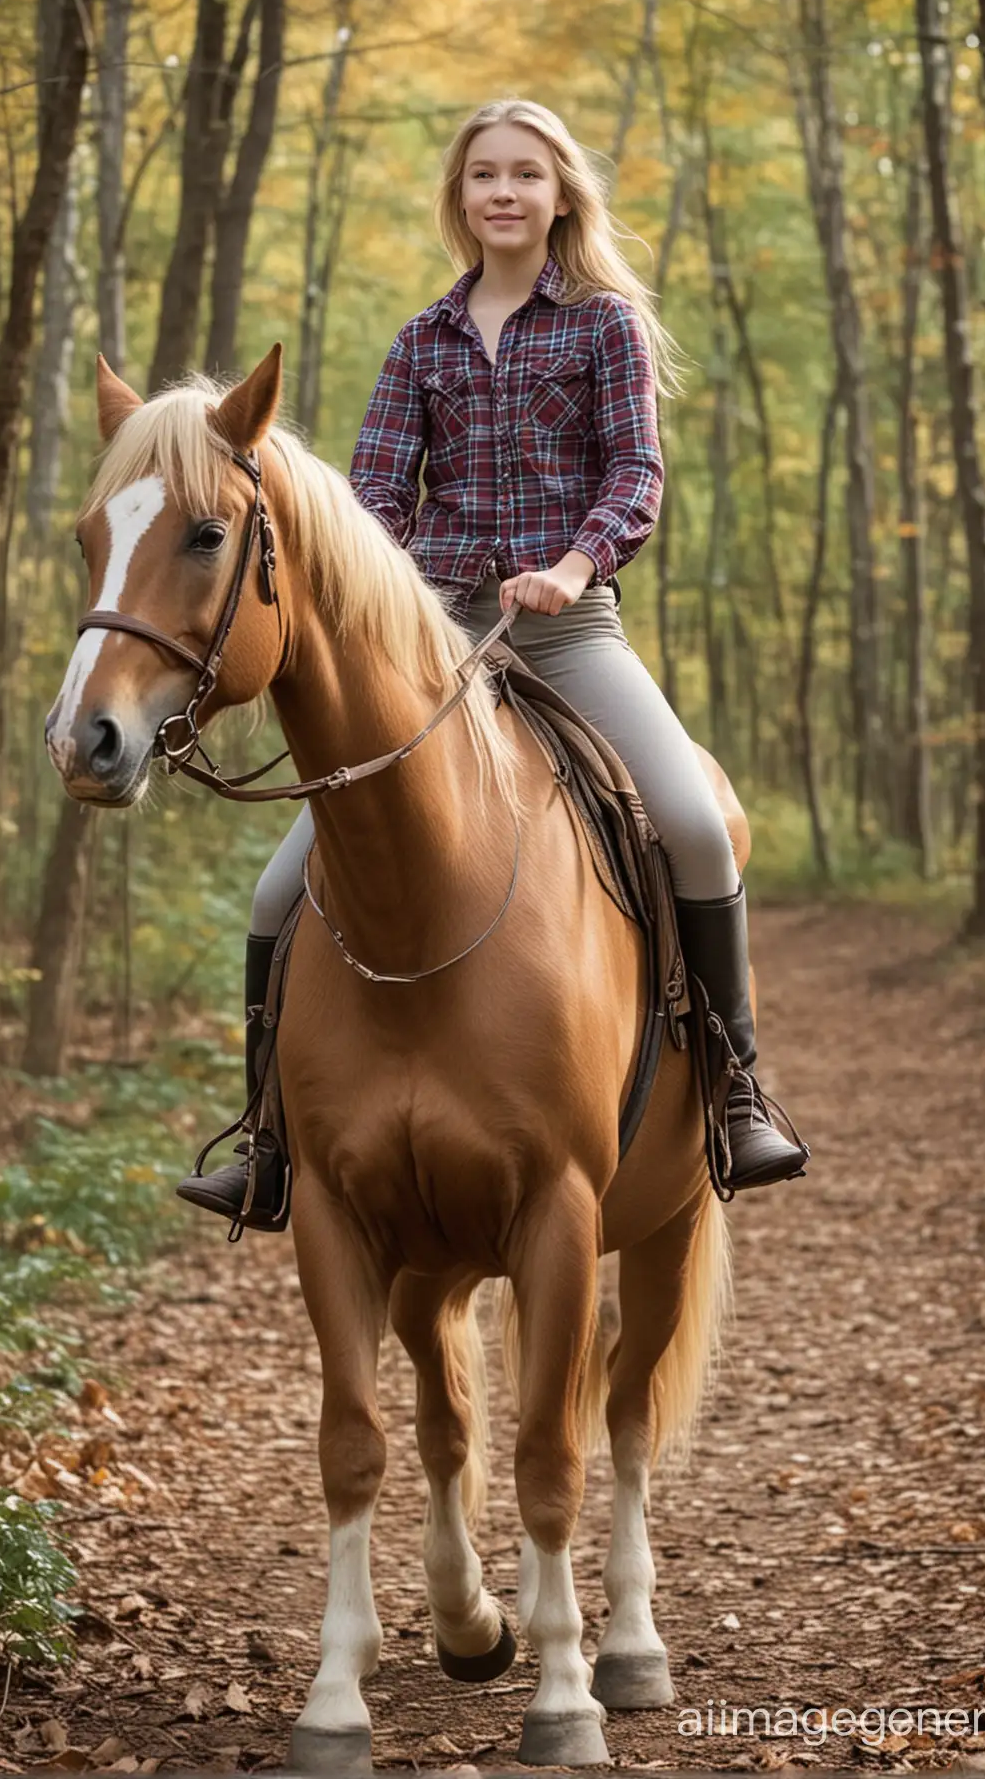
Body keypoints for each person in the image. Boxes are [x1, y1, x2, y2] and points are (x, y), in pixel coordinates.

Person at [178, 97, 808, 1228]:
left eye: (526, 174)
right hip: (438, 643)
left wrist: (572, 566)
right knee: (280, 891)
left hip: (567, 632)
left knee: (697, 824)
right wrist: (401, 590)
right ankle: (267, 1138)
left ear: (562, 193)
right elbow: (370, 501)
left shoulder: (605, 324)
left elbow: (636, 477)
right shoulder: (421, 339)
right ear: (461, 200)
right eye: (484, 177)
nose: (504, 193)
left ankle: (736, 1090)